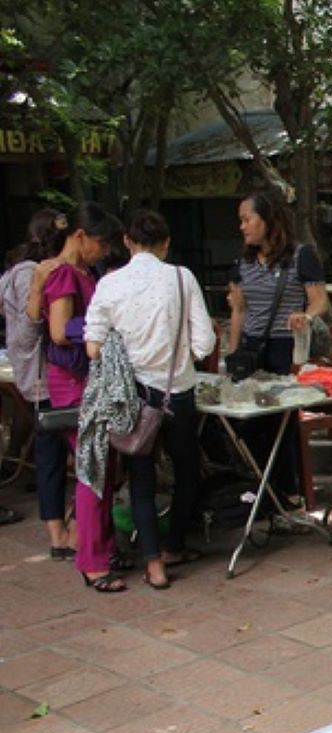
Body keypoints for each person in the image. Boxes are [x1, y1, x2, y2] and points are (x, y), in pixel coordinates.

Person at [84, 210, 216, 589]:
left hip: (133, 396)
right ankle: (175, 543)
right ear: (166, 243)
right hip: (178, 392)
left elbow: (93, 347)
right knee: (187, 471)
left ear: (127, 241)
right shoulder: (182, 277)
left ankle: (154, 564)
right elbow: (205, 342)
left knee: (141, 479)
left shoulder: (109, 284)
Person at [33, 202, 123, 591]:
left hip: (83, 380)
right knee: (92, 468)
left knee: (99, 467)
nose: (105, 251)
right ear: (81, 236)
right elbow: (57, 330)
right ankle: (92, 559)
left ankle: (100, 549)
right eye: (102, 243)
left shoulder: (81, 271)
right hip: (73, 382)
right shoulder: (66, 274)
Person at [227, 189, 330, 505]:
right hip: (251, 350)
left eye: (247, 219)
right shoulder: (241, 264)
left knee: (281, 422)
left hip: (285, 348)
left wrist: (305, 316)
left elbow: (320, 300)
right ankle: (261, 487)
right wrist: (231, 356)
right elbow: (239, 311)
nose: (242, 227)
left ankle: (288, 491)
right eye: (240, 221)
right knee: (247, 420)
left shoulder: (301, 256)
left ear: (267, 219)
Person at [1, 209, 63, 538]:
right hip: (44, 376)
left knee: (48, 445)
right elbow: (29, 329)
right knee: (50, 449)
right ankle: (57, 531)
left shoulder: (20, 270)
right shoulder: (30, 272)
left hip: (38, 374)